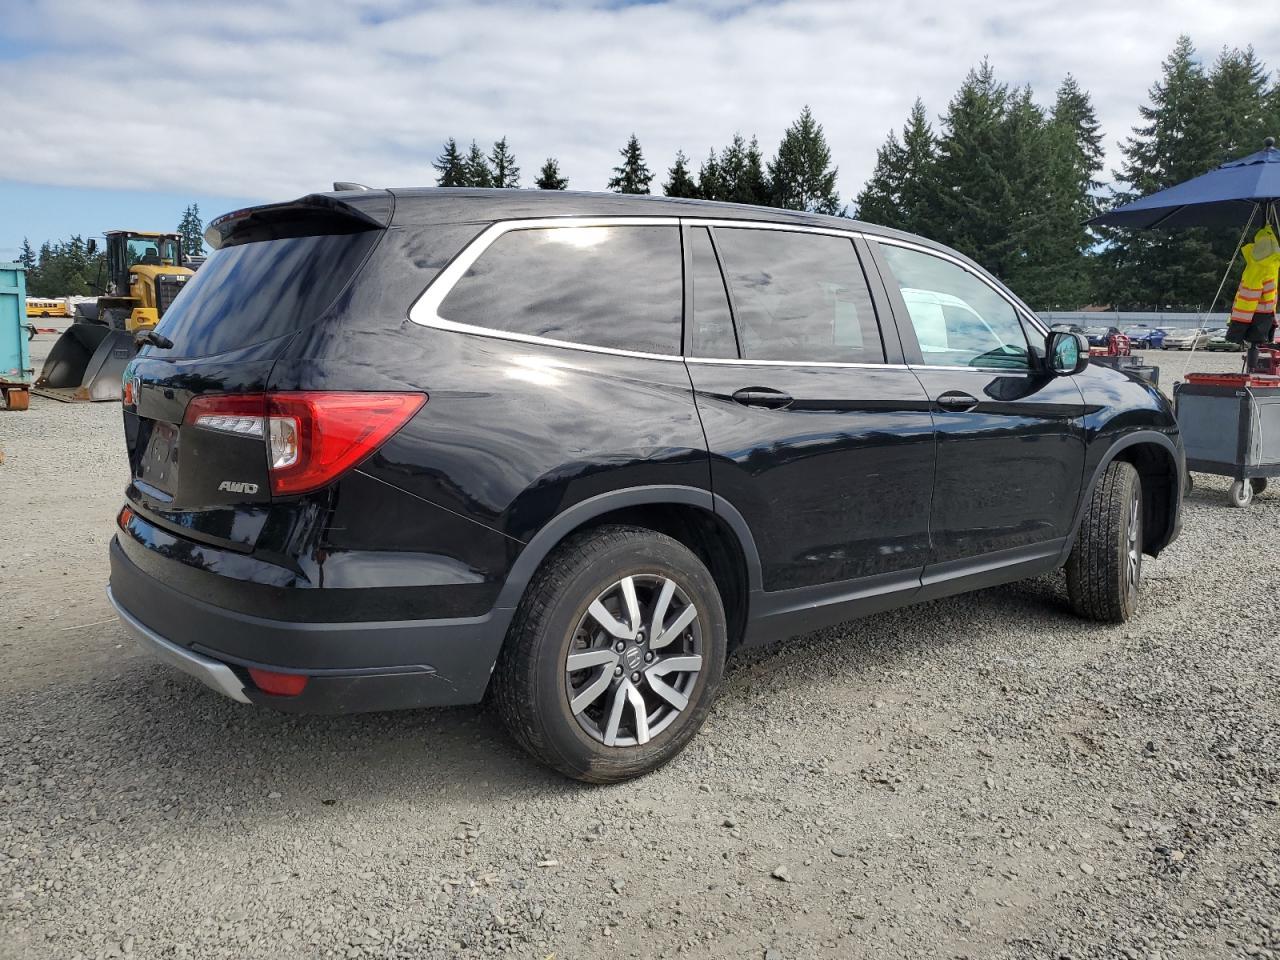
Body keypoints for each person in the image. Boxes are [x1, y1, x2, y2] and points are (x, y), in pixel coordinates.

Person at [1227, 225, 1280, 369]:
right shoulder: (1273, 265)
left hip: (1249, 317)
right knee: (1256, 342)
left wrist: (1236, 330)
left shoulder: (1255, 266)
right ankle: (1252, 368)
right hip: (1264, 316)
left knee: (1254, 343)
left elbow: (1245, 298)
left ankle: (1251, 368)